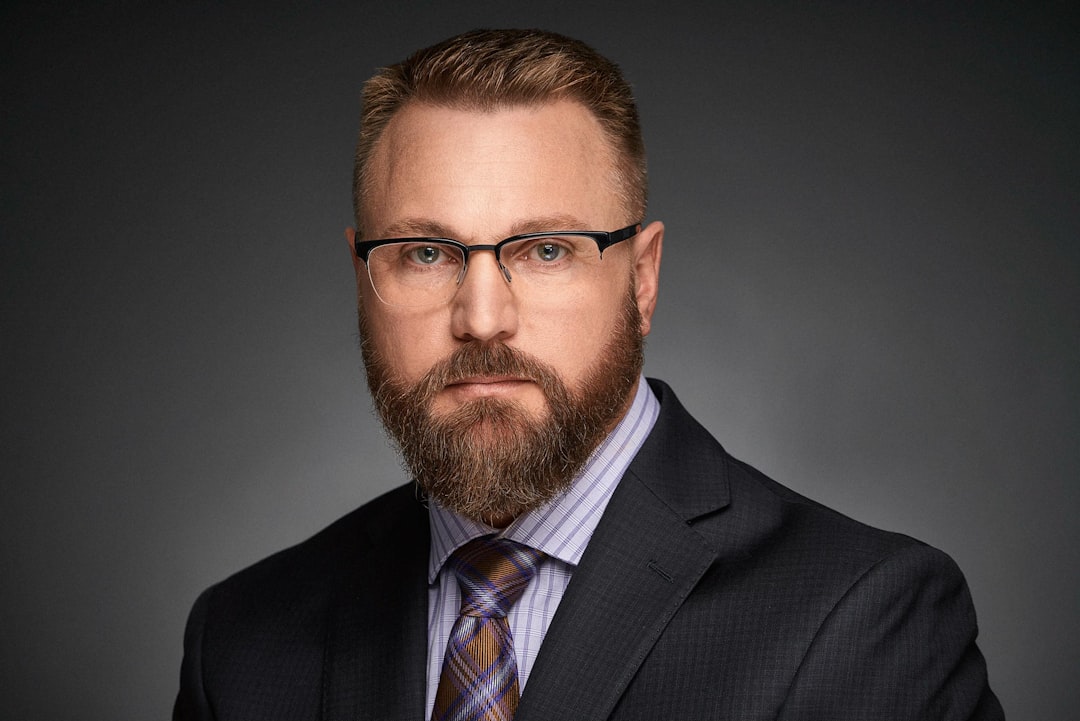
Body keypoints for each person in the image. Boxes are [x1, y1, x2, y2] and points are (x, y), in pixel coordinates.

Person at [174, 28, 1003, 721]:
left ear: (641, 279)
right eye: (425, 253)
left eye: (546, 250)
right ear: (362, 278)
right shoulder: (241, 642)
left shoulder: (866, 620)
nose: (483, 317)